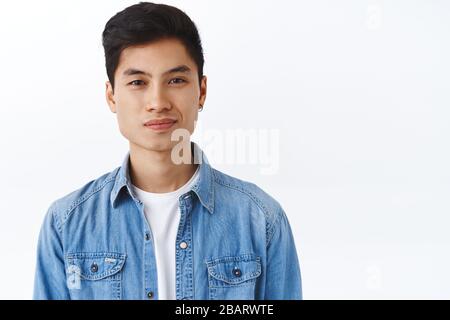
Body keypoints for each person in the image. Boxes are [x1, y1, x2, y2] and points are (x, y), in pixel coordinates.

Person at [33, 1, 302, 300]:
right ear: (111, 96)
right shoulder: (67, 224)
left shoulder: (260, 220)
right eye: (138, 82)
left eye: (175, 80)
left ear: (201, 91)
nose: (158, 101)